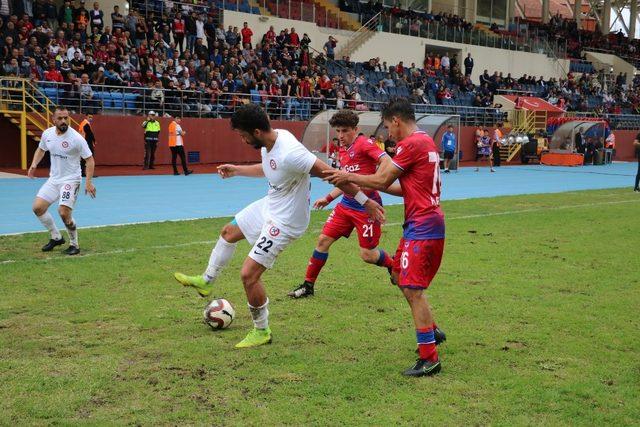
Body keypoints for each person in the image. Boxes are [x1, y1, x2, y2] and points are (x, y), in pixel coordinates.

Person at [173, 104, 384, 348]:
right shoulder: (272, 141)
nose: (242, 140)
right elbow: (269, 169)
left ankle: (261, 331)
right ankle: (207, 281)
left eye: (243, 135)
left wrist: (365, 201)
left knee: (248, 275)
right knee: (228, 232)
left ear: (256, 131)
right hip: (270, 205)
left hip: (286, 220)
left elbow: (331, 174)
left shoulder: (291, 151)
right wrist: (237, 170)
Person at [325, 98, 446, 377]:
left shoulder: (411, 144)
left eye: (388, 127)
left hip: (424, 226)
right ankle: (432, 331)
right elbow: (403, 188)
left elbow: (380, 181)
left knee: (413, 290)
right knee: (400, 278)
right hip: (419, 224)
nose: (387, 134)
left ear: (396, 121)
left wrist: (347, 177)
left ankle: (430, 357)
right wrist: (354, 181)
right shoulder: (425, 141)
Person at [288, 110, 395, 298]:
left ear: (356, 129)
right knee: (322, 241)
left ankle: (394, 265)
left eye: (345, 131)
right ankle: (308, 286)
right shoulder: (343, 150)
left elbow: (386, 160)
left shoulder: (364, 144)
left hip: (367, 207)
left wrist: (378, 180)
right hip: (346, 206)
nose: (340, 136)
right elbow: (344, 181)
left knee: (367, 255)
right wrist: (328, 198)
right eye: (338, 131)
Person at [28, 107, 96, 256]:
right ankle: (56, 237)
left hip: (71, 180)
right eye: (60, 118)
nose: (64, 121)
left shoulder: (77, 139)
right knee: (37, 208)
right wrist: (34, 164)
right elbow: (41, 149)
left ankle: (74, 244)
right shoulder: (48, 134)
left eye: (66, 118)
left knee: (64, 213)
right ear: (54, 120)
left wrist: (88, 182)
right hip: (54, 179)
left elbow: (90, 160)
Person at [77, 113, 96, 177]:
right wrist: (94, 140)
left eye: (91, 117)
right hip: (87, 143)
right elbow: (90, 134)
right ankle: (89, 173)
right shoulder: (86, 124)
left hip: (83, 142)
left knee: (83, 158)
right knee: (90, 158)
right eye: (89, 117)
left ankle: (82, 172)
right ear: (86, 117)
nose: (91, 118)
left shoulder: (83, 123)